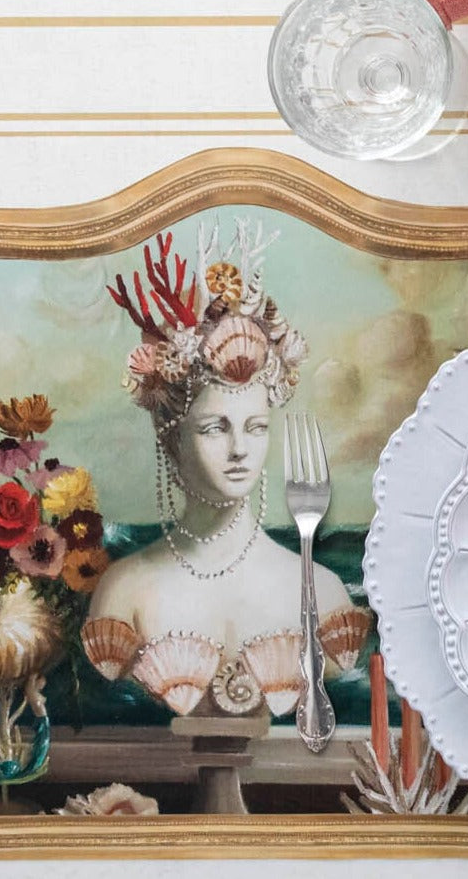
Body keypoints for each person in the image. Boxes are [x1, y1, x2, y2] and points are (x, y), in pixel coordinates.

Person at [81, 221, 371, 718]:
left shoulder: (323, 591)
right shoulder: (124, 590)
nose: (241, 449)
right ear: (171, 440)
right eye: (215, 428)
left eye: (256, 427)